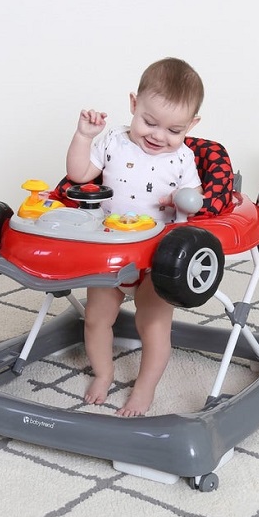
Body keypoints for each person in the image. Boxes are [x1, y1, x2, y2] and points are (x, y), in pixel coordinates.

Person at [66, 57, 204, 416]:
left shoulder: (184, 159)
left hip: (158, 259)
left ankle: (144, 389)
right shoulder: (113, 142)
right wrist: (84, 136)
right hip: (110, 250)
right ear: (133, 105)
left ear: (192, 125)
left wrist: (180, 201)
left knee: (153, 324)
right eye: (149, 122)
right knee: (96, 318)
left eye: (174, 130)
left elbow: (194, 205)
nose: (159, 136)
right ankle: (104, 372)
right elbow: (80, 175)